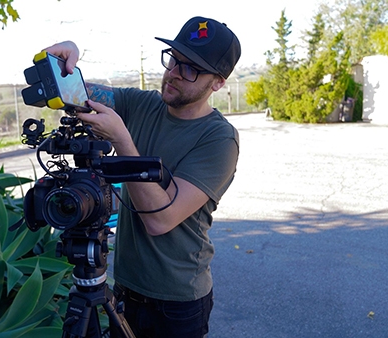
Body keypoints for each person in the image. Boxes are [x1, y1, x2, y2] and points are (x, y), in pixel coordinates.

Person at [44, 16, 241, 338]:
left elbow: (160, 220)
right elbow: (72, 93)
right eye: (173, 60)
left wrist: (122, 139)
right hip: (123, 288)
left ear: (218, 82)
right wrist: (63, 61)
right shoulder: (141, 104)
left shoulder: (219, 139)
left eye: (190, 68)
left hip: (176, 303)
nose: (174, 73)